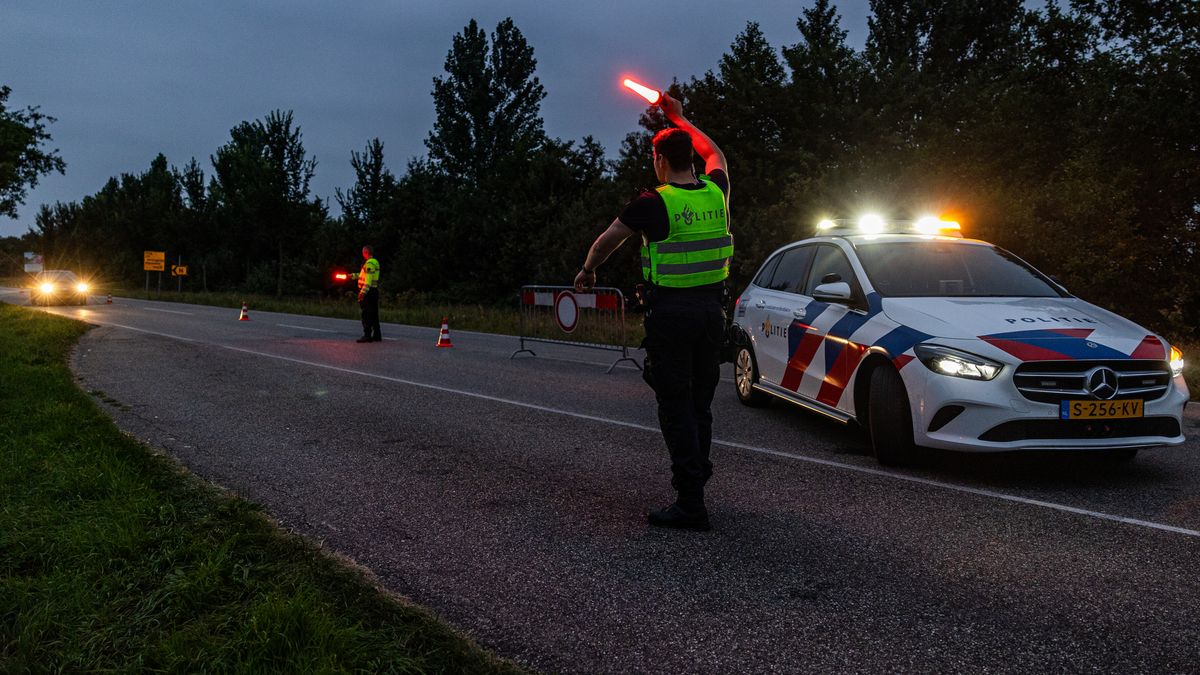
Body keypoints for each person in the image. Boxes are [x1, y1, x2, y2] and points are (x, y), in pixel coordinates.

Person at [574, 93, 732, 531]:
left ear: (659, 159)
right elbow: (715, 152)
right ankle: (698, 475)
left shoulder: (652, 202)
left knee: (674, 404)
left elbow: (606, 241)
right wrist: (682, 118)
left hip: (672, 317)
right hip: (711, 314)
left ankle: (690, 501)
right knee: (700, 403)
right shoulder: (716, 193)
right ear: (691, 160)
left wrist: (587, 271)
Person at [350, 245, 382, 343]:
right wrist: (351, 276)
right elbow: (363, 275)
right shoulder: (374, 262)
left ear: (366, 252)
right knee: (374, 314)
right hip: (373, 291)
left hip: (368, 293)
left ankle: (367, 335)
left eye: (363, 252)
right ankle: (377, 335)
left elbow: (368, 280)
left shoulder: (369, 263)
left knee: (366, 314)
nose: (362, 254)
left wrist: (362, 293)